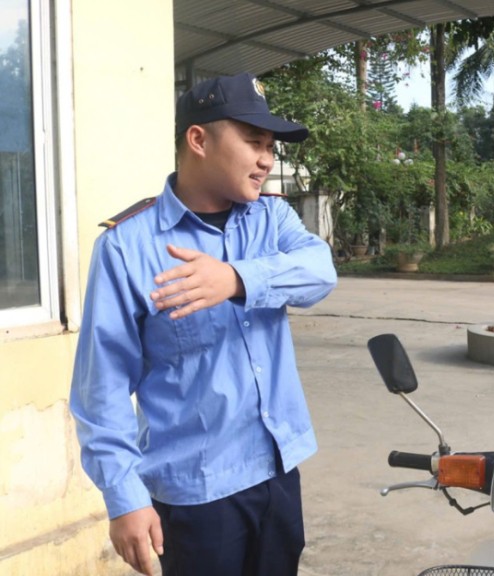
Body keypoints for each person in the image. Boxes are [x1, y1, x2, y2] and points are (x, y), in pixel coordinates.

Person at [70, 72, 337, 576]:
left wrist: (236, 278)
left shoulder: (270, 221)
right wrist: (125, 499)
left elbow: (320, 271)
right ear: (198, 139)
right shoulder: (127, 247)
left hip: (278, 475)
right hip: (197, 494)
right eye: (254, 142)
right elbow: (100, 390)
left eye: (271, 147)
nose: (267, 159)